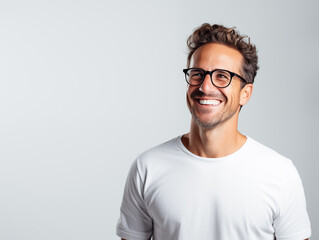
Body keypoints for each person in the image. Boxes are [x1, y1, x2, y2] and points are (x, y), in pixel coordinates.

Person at [116, 23, 311, 240]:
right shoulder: (148, 167)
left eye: (222, 76)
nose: (205, 87)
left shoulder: (279, 173)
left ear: (245, 93)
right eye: (197, 74)